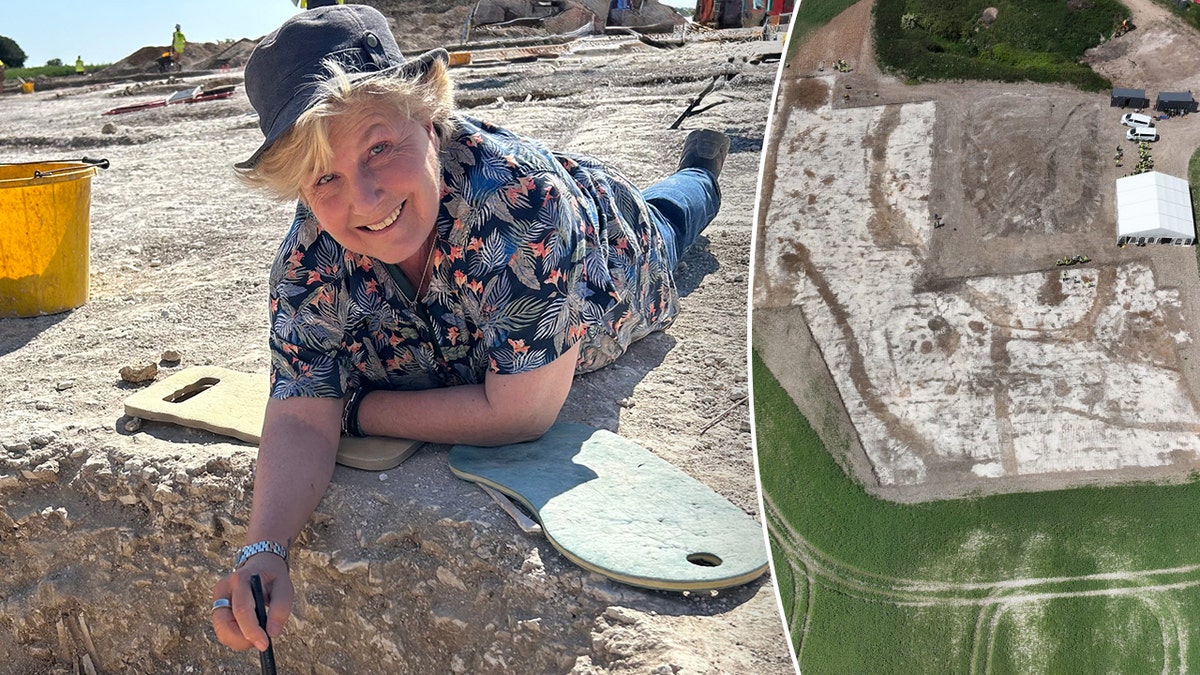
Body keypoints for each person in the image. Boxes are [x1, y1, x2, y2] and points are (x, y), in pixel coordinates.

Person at [209, 5, 727, 653]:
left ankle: (700, 171)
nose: (364, 198)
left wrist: (357, 408)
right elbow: (299, 412)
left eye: (379, 147)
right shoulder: (306, 262)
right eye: (325, 177)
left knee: (673, 222)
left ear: (428, 117)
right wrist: (264, 548)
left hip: (615, 248)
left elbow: (520, 413)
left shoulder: (523, 201)